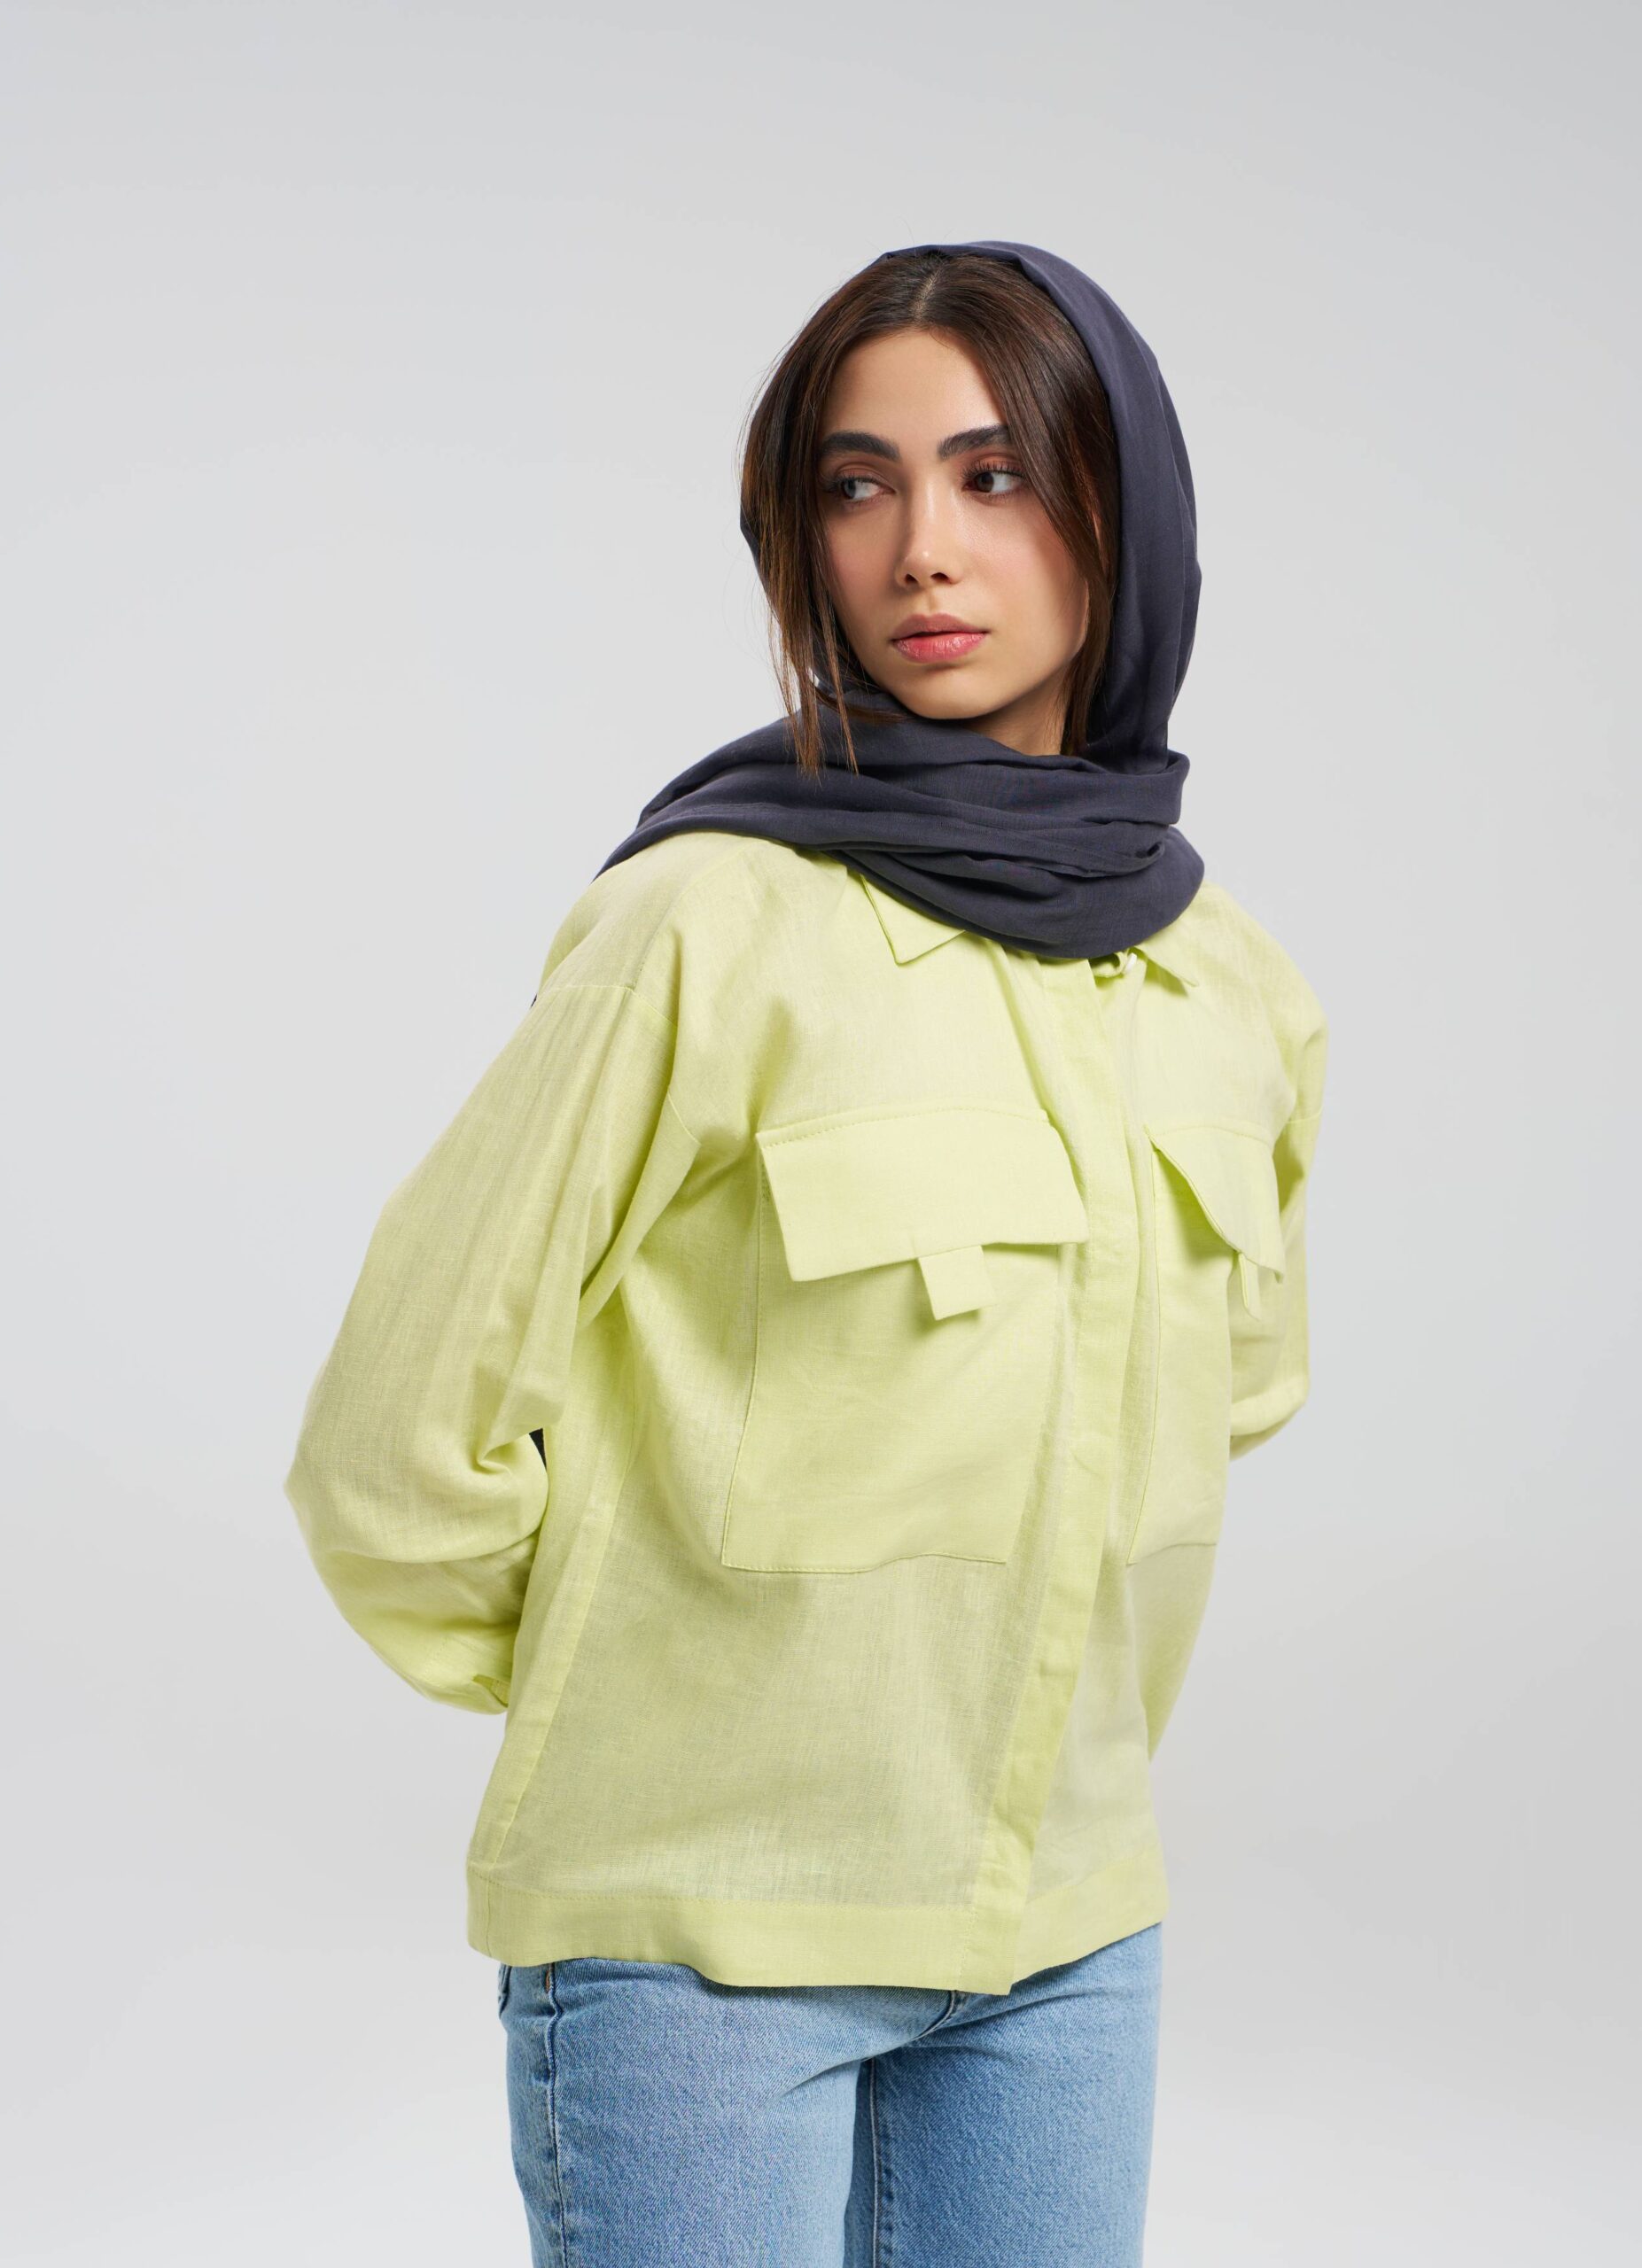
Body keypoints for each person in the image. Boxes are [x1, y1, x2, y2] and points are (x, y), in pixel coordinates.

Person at [284, 238, 1328, 2267]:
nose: (919, 547)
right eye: (857, 486)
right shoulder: (703, 921)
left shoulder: (1225, 978)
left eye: (992, 475)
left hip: (1063, 1927)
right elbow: (392, 1437)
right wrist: (637, 1675)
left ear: (1123, 506)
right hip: (701, 1943)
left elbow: (1233, 1389)